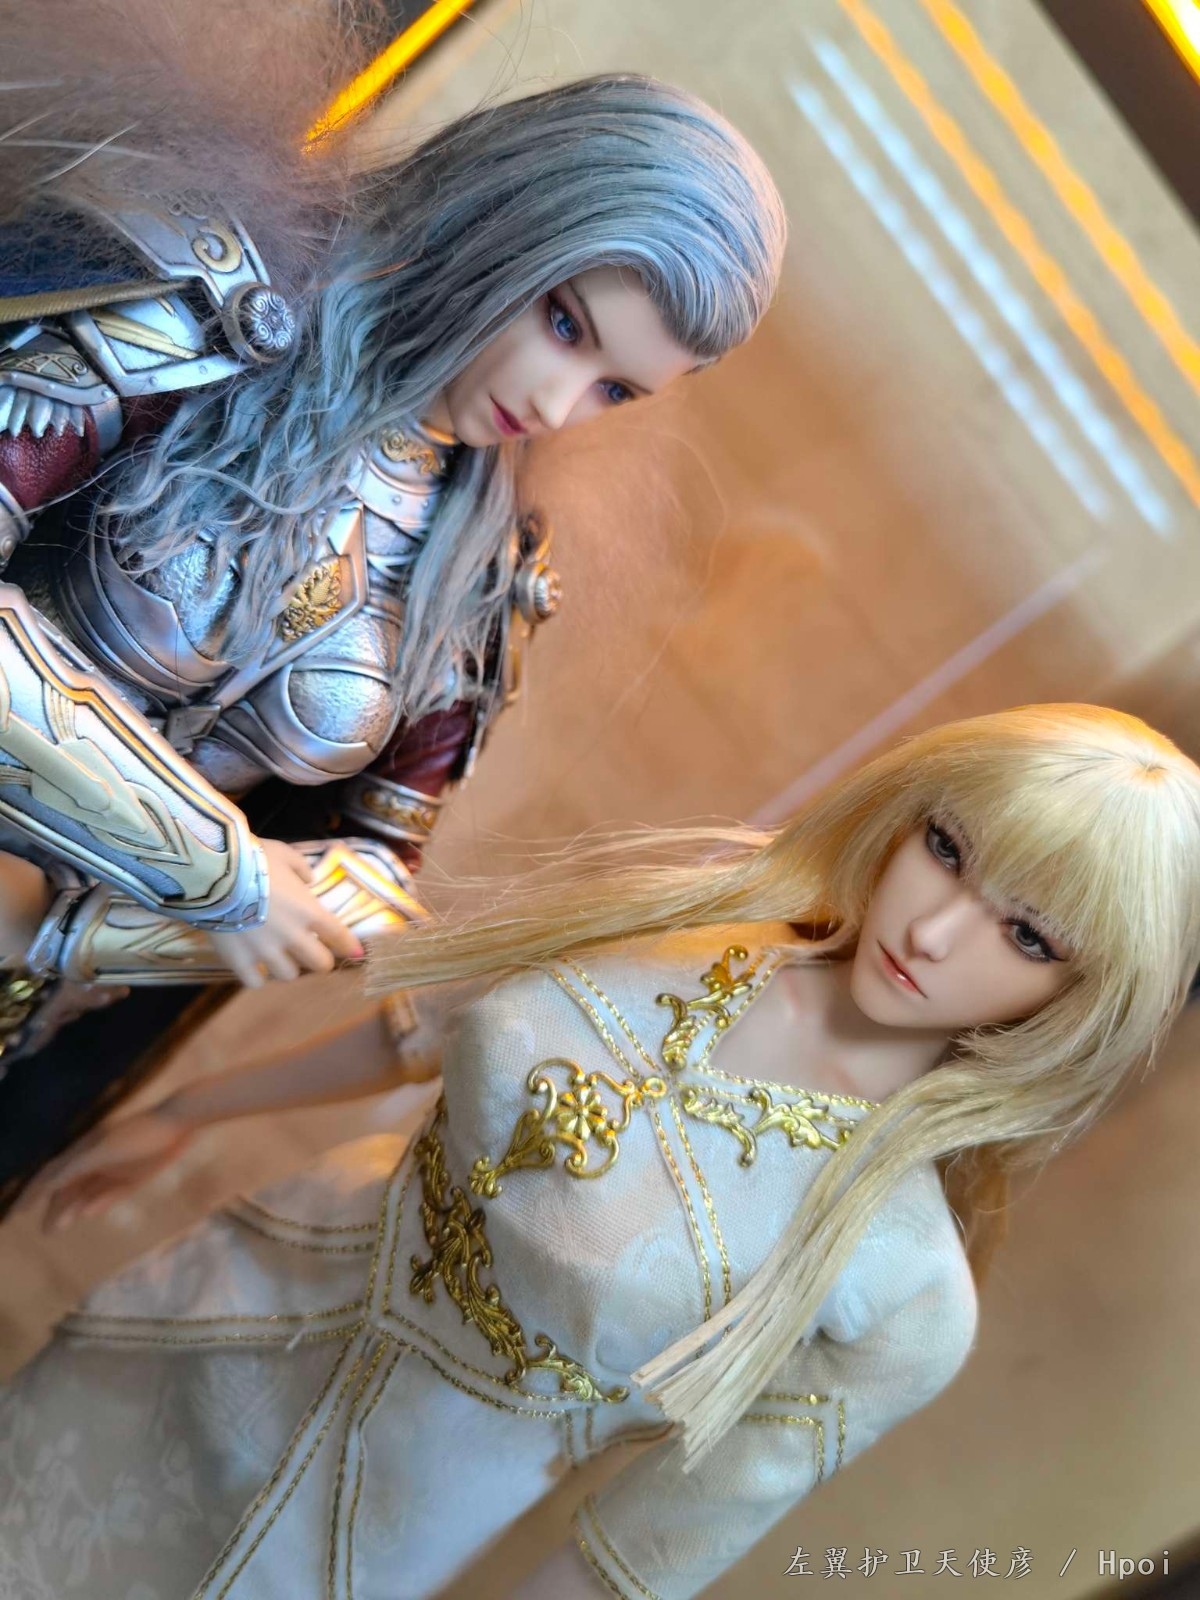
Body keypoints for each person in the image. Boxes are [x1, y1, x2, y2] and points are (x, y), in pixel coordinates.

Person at [6, 703, 1198, 1600]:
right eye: (946, 845)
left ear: (1083, 999)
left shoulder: (905, 1287)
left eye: (1029, 935)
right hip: (199, 1311)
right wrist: (189, 1111)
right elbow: (423, 1026)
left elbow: (636, 1556)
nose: (935, 931)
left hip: (341, 1534)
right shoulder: (693, 909)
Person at [0, 0, 787, 1200]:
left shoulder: (477, 567)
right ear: (502, 219)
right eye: (563, 321)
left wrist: (79, 935)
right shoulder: (191, 298)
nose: (556, 403)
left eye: (616, 390)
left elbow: (372, 873)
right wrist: (223, 874)